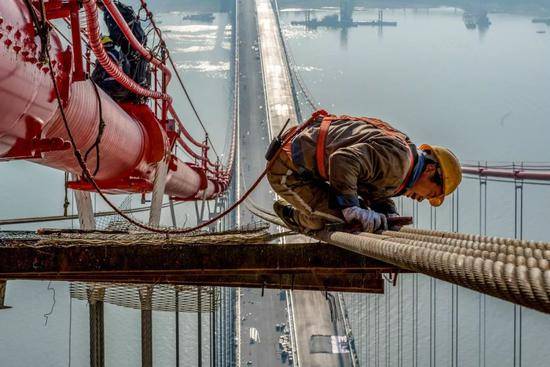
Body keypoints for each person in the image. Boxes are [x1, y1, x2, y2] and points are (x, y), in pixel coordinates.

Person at [268, 110, 462, 233]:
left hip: (302, 161)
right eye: (431, 194)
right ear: (429, 170)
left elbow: (374, 182)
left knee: (358, 215)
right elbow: (342, 160)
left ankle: (309, 210)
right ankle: (292, 214)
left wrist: (387, 212)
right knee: (341, 221)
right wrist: (351, 208)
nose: (422, 199)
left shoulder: (403, 158)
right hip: (288, 170)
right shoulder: (398, 164)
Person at [96, 0, 150, 94]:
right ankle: (136, 88)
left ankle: (129, 89)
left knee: (123, 63)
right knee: (134, 65)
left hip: (130, 46)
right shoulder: (120, 8)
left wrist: (105, 42)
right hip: (138, 44)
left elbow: (115, 36)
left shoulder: (109, 11)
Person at [91, 35, 131, 101]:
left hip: (110, 84)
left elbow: (98, 73)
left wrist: (91, 82)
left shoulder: (105, 57)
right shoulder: (118, 54)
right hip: (122, 84)